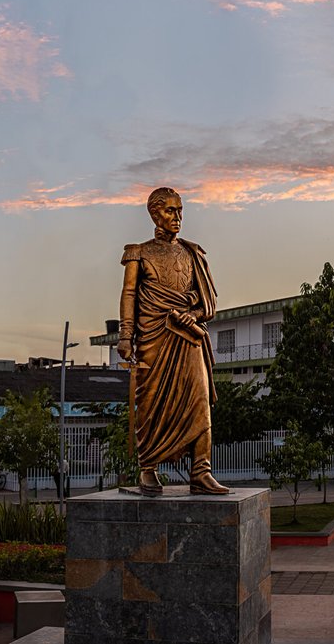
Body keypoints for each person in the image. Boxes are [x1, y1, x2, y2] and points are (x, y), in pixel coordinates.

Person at [117, 187, 230, 497]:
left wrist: (192, 312)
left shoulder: (193, 252)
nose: (177, 217)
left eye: (180, 210)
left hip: (187, 338)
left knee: (200, 399)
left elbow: (206, 298)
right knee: (151, 404)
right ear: (155, 214)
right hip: (154, 338)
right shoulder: (138, 253)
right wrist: (125, 335)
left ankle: (201, 471)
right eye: (170, 211)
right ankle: (148, 468)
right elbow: (129, 294)